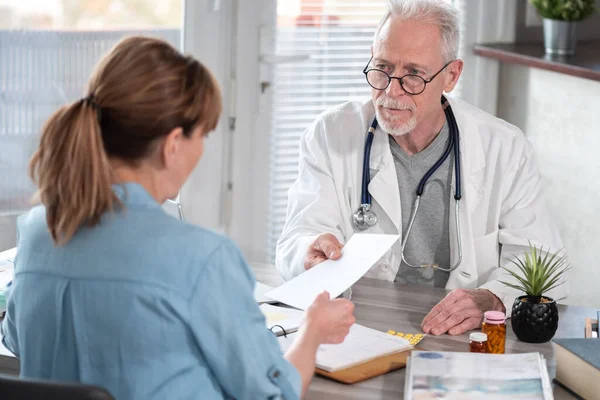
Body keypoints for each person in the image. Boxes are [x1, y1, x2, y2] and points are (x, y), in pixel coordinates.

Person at [0, 36, 355, 400]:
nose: (201, 149)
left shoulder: (37, 233)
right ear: (173, 144)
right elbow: (272, 393)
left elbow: (14, 337)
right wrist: (312, 332)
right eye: (201, 134)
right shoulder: (201, 258)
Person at [276, 0, 568, 336]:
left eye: (413, 74)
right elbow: (295, 241)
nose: (391, 90)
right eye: (382, 67)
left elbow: (542, 262)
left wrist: (491, 297)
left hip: (459, 334)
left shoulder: (504, 147)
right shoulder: (331, 134)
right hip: (360, 326)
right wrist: (309, 252)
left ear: (451, 75)